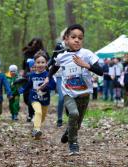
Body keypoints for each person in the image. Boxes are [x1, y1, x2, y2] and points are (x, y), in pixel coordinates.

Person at [39, 24, 104, 155]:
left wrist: (86, 65)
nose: (77, 40)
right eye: (73, 37)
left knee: (77, 124)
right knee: (73, 114)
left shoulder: (87, 54)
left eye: (80, 38)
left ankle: (68, 132)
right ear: (66, 39)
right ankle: (73, 144)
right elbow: (54, 67)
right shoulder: (62, 55)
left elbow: (100, 71)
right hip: (68, 93)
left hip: (84, 94)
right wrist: (48, 78)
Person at [19, 50, 56, 139]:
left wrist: (45, 86)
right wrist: (23, 89)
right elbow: (29, 85)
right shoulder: (32, 75)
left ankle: (36, 132)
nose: (40, 64)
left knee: (41, 118)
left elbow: (53, 86)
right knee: (38, 112)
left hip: (45, 100)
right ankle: (36, 129)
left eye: (43, 62)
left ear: (46, 63)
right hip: (34, 98)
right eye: (38, 62)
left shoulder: (48, 75)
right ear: (34, 64)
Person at [22, 38, 49, 122]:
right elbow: (24, 64)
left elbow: (48, 63)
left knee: (36, 96)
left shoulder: (44, 53)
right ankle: (31, 112)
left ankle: (34, 113)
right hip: (28, 74)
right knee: (28, 96)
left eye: (37, 43)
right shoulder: (27, 52)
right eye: (33, 43)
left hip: (41, 76)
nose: (34, 44)